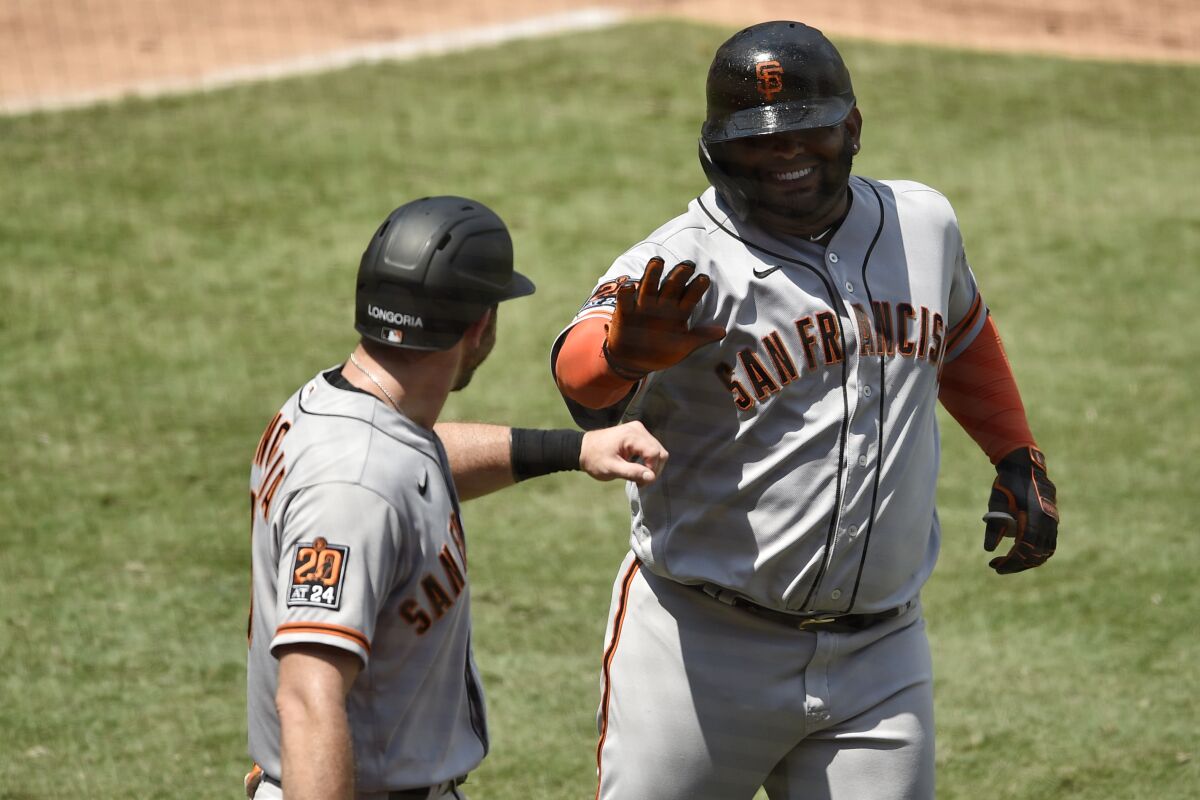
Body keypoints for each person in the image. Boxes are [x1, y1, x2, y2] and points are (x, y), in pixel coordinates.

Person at [550, 21, 1059, 800]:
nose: (785, 154)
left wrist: (1015, 452)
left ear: (851, 128)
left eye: (808, 132)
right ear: (715, 151)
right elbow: (578, 372)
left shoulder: (922, 224)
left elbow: (960, 332)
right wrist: (619, 357)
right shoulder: (684, 262)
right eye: (757, 142)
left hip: (879, 661)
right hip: (699, 654)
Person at [243, 195, 668, 800]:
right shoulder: (354, 487)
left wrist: (574, 449)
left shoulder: (338, 411)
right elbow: (309, 696)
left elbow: (418, 456)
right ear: (481, 327)